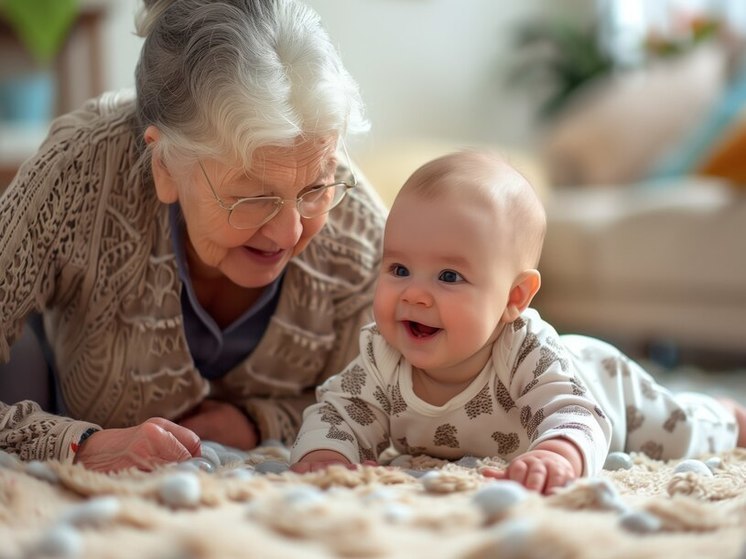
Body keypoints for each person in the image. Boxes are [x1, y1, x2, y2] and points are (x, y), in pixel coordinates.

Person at [0, 0, 386, 472]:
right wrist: (77, 445)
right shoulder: (77, 172)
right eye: (252, 198)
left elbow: (404, 403)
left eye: (314, 187)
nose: (290, 231)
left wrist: (260, 420)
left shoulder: (358, 230)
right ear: (163, 164)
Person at [290, 150, 746, 494]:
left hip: (607, 388)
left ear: (514, 298)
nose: (414, 293)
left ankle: (726, 415)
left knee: (679, 431)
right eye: (399, 269)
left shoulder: (524, 350)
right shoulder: (382, 354)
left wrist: (557, 453)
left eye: (449, 276)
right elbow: (340, 413)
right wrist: (326, 454)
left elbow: (575, 413)